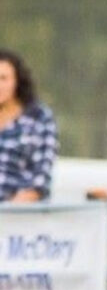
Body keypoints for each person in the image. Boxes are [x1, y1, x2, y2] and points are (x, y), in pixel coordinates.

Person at [0, 49, 59, 203]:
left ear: (17, 81)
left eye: (3, 78)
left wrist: (12, 209)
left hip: (21, 212)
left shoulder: (38, 117)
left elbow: (41, 177)